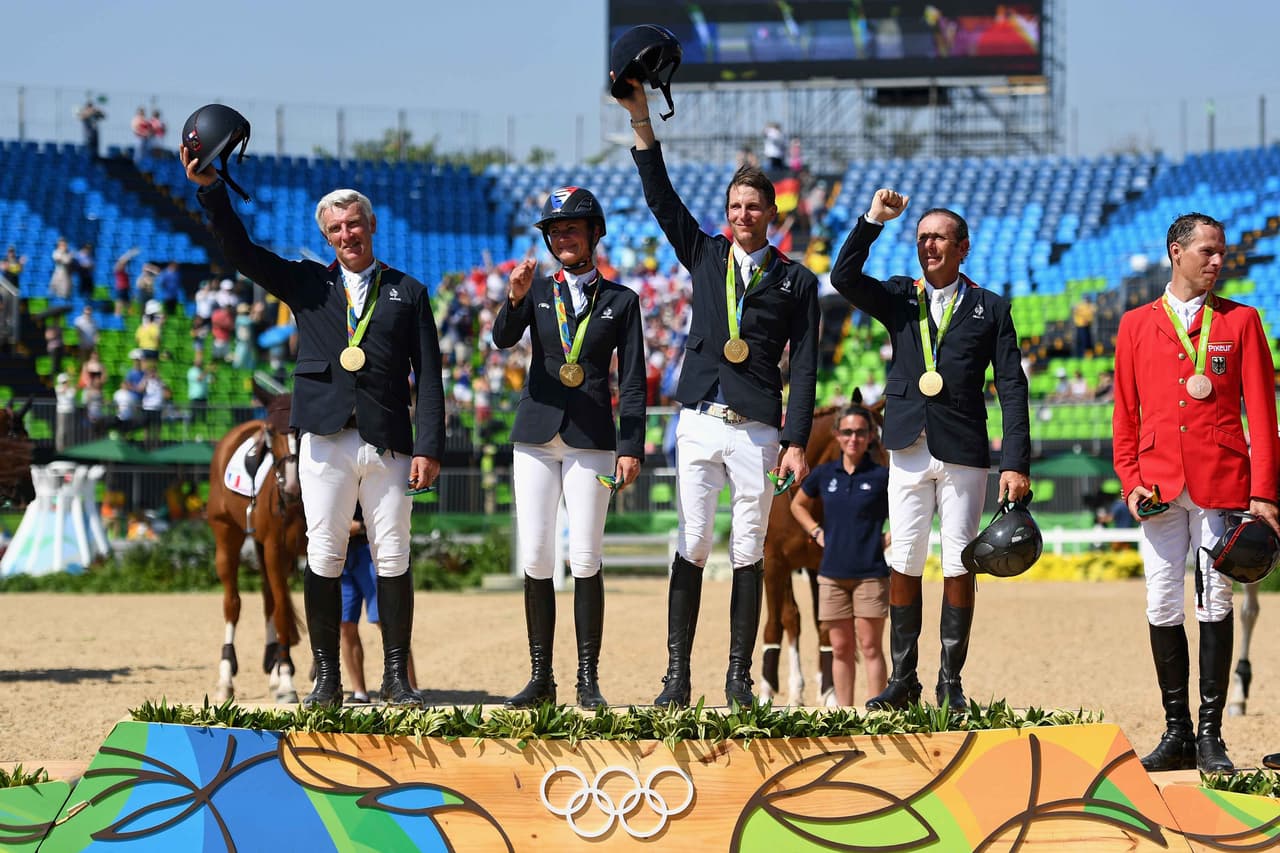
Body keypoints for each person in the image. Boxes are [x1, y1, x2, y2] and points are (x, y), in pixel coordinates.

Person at [184, 144, 445, 710]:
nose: (347, 234)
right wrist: (211, 189)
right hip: (323, 439)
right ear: (326, 237)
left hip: (390, 441)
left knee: (393, 555)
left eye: (354, 224)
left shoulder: (409, 291)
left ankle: (397, 678)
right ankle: (326, 679)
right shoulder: (306, 285)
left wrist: (430, 446)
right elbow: (240, 251)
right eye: (336, 228)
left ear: (371, 226)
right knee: (324, 552)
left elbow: (429, 376)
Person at [615, 77, 819, 709]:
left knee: (748, 546)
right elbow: (661, 197)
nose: (742, 216)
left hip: (758, 426)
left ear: (771, 216)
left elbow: (807, 364)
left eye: (753, 207)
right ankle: (677, 676)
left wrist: (794, 440)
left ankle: (737, 676)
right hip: (700, 419)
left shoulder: (796, 281)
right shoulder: (704, 255)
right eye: (734, 207)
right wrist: (642, 121)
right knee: (694, 540)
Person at [828, 188, 1031, 711]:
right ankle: (903, 680)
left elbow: (1012, 387)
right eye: (921, 238)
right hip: (906, 446)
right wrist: (874, 220)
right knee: (904, 559)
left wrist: (1015, 463)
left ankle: (950, 681)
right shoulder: (900, 296)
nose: (928, 246)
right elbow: (843, 278)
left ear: (963, 247)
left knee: (960, 561)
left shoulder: (992, 308)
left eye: (939, 237)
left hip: (962, 447)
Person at [1112, 212, 1280, 773]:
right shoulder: (1135, 324)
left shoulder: (1243, 321)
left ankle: (1210, 734)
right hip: (1158, 484)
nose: (1217, 261)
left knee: (1216, 598)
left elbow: (1262, 412)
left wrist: (1265, 495)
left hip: (1221, 481)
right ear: (1174, 251)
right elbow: (1125, 415)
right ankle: (1176, 728)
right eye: (1206, 251)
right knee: (1161, 600)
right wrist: (1130, 482)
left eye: (1222, 252)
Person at [492, 186, 646, 710]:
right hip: (536, 434)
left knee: (585, 556)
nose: (563, 238)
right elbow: (501, 339)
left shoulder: (622, 301)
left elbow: (634, 380)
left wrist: (631, 445)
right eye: (555, 231)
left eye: (572, 229)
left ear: (594, 234)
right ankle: (541, 678)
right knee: (537, 554)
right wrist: (512, 298)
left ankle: (586, 678)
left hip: (593, 441)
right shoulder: (535, 290)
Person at [788, 405, 891, 706]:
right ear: (836, 435)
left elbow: (910, 509)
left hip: (870, 574)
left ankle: (876, 714)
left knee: (871, 647)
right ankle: (845, 714)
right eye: (847, 432)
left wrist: (889, 537)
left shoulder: (882, 475)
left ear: (871, 436)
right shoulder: (823, 474)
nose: (854, 438)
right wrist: (817, 532)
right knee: (840, 648)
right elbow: (797, 505)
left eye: (860, 432)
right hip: (831, 574)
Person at [341, 508, 418, 703]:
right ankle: (359, 692)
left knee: (387, 622)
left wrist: (358, 527)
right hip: (339, 552)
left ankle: (410, 687)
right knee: (345, 624)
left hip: (369, 549)